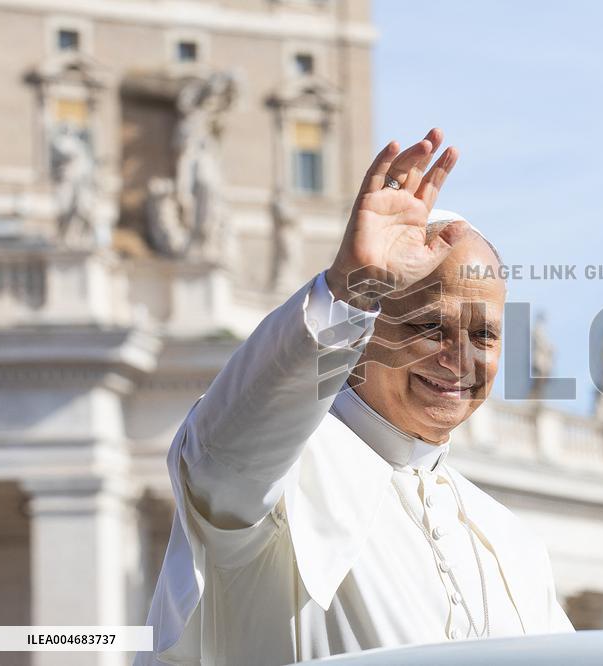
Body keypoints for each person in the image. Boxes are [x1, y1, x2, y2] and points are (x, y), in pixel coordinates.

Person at [138, 129, 574, 666]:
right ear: (364, 333)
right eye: (429, 327)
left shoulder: (514, 546)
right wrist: (348, 288)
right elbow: (226, 451)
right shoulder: (280, 477)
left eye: (484, 335)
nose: (460, 359)